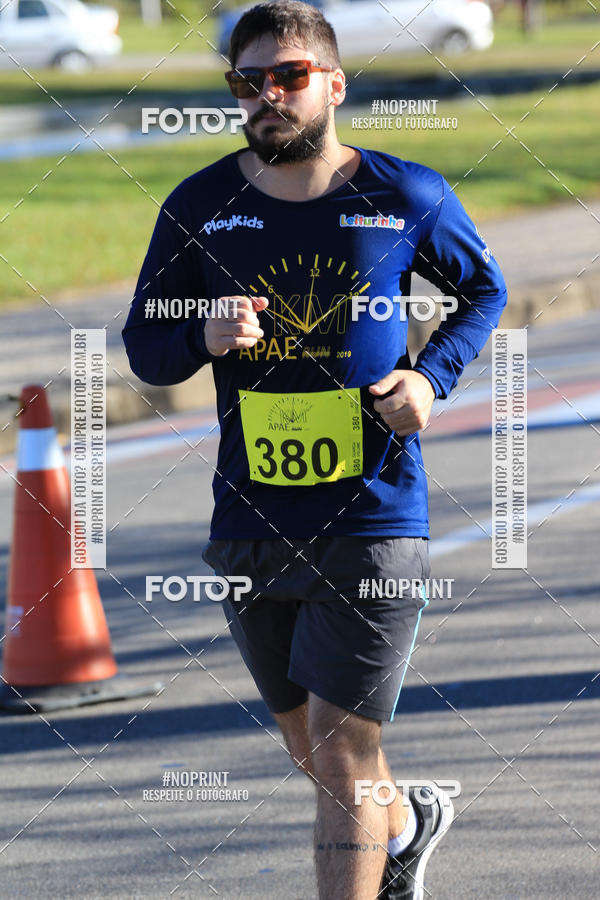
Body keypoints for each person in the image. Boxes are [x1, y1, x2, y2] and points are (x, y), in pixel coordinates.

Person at [122, 2, 507, 896]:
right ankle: (407, 821)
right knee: (314, 751)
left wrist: (430, 378)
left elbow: (482, 289)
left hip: (375, 514)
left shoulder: (406, 194)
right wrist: (203, 332)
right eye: (247, 81)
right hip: (250, 517)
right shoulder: (201, 204)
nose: (268, 95)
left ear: (333, 84)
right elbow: (146, 348)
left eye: (288, 76)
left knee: (339, 756)